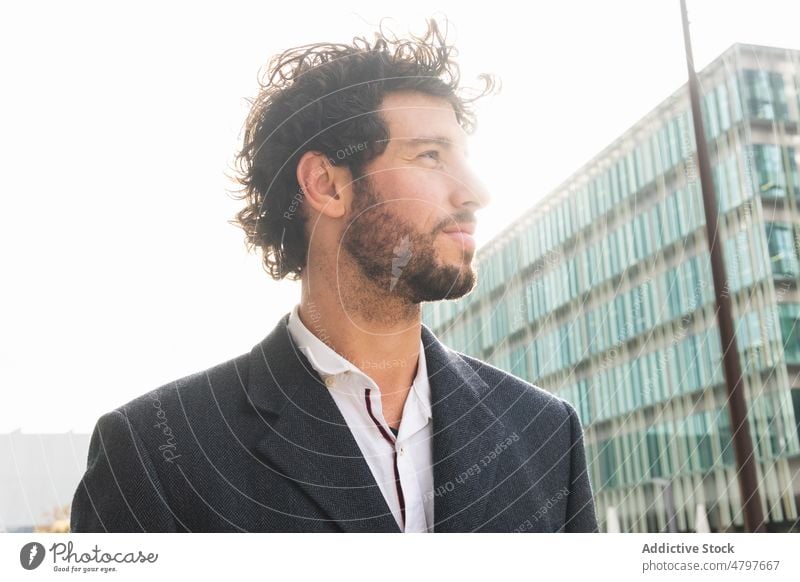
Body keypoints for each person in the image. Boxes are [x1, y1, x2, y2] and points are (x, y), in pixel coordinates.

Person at [70, 19, 598, 533]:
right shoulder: (154, 454)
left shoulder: (544, 432)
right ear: (325, 184)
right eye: (431, 156)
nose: (476, 192)